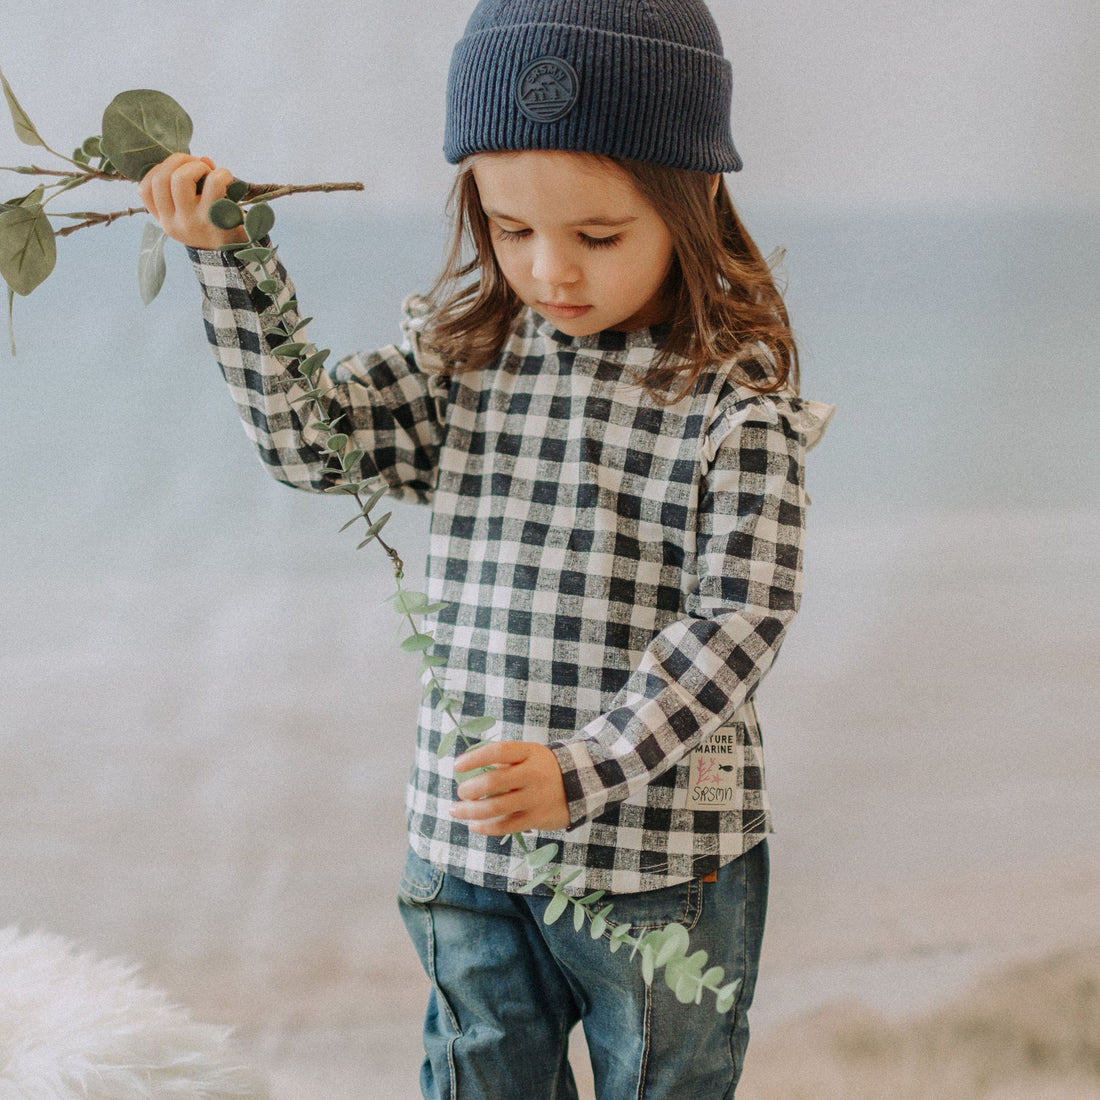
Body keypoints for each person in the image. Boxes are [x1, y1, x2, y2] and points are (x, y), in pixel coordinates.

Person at [140, 1, 833, 1095]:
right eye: (511, 230)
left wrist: (581, 770)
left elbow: (740, 621)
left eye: (597, 236)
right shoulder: (468, 363)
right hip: (468, 852)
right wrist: (230, 264)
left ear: (695, 197)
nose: (551, 271)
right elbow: (311, 442)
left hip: (659, 864)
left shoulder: (731, 409)